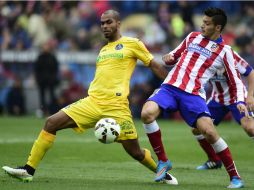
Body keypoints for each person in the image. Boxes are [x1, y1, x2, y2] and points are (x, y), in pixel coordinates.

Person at [2, 10, 178, 185]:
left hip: (117, 107)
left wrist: (172, 85)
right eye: (102, 23)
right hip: (92, 102)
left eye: (109, 22)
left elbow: (153, 65)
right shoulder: (103, 50)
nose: (104, 26)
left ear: (118, 23)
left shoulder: (132, 43)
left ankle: (161, 172)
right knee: (51, 123)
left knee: (135, 152)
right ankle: (28, 170)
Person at [141, 7, 247, 188]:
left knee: (210, 133)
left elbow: (235, 80)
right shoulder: (192, 37)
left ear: (218, 27)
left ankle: (235, 177)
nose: (202, 25)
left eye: (207, 23)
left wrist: (240, 101)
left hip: (193, 94)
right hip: (170, 87)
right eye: (203, 22)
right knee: (146, 113)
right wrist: (169, 57)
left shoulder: (225, 51)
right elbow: (175, 55)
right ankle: (163, 161)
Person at [193, 51, 254, 170]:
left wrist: (251, 96)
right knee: (197, 129)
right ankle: (214, 160)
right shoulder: (201, 56)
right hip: (217, 100)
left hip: (237, 98)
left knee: (251, 128)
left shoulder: (228, 53)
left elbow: (251, 73)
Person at [34, 40, 59, 116]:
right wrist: (38, 79)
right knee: (42, 96)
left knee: (52, 96)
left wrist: (54, 79)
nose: (46, 48)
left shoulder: (52, 57)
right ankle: (43, 110)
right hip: (42, 81)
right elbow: (36, 70)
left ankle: (52, 111)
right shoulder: (40, 57)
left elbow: (55, 69)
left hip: (51, 81)